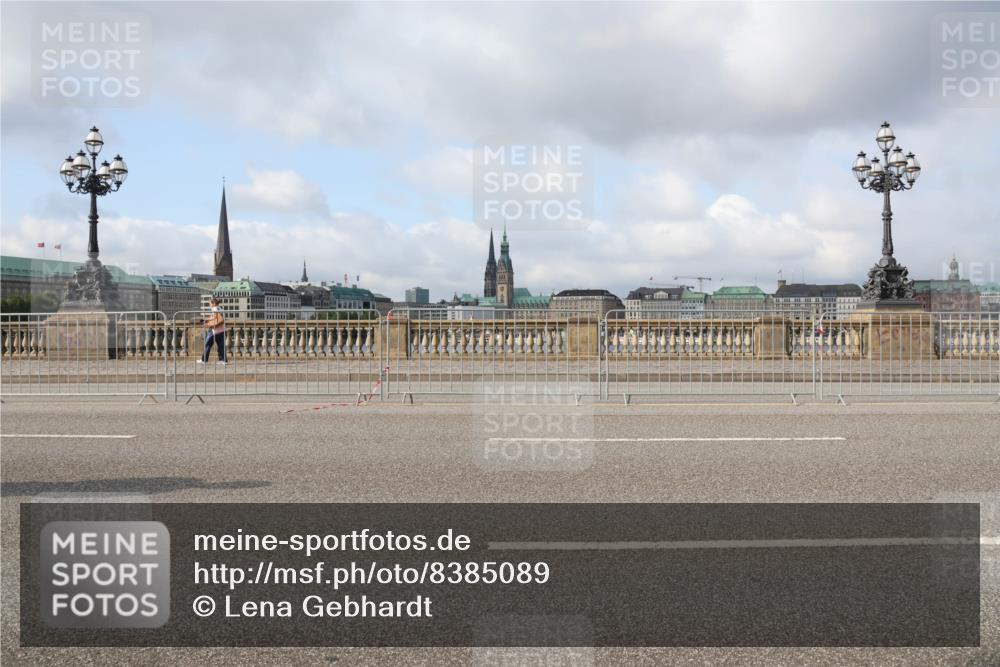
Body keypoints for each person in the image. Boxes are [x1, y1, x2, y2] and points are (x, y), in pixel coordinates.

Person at [198, 298, 227, 365]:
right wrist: (207, 320)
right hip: (221, 330)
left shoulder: (214, 309)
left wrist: (208, 324)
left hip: (214, 330)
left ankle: (204, 360)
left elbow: (218, 319)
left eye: (210, 303)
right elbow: (215, 317)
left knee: (207, 344)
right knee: (221, 346)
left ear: (213, 303)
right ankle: (223, 360)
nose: (209, 305)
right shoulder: (220, 308)